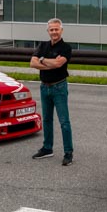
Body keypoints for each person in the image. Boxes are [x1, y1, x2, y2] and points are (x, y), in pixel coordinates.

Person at [30, 18, 74, 165]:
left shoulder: (66, 48)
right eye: (51, 29)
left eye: (56, 29)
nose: (54, 32)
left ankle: (68, 152)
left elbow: (58, 64)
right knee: (47, 119)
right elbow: (32, 63)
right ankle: (47, 148)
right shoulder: (43, 45)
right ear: (48, 31)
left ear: (61, 30)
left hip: (59, 87)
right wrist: (49, 62)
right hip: (44, 87)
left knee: (64, 121)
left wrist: (42, 60)